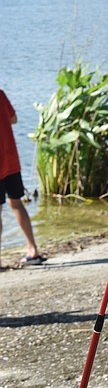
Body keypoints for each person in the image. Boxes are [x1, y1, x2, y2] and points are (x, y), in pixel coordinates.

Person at [0, 88, 45, 268]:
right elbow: (13, 119)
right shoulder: (1, 94)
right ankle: (33, 250)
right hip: (10, 161)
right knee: (16, 203)